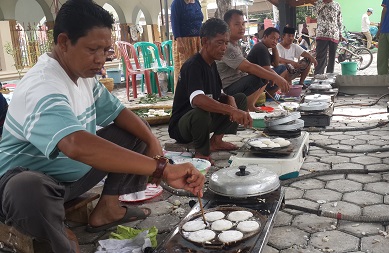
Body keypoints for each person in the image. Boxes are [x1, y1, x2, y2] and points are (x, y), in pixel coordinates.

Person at [0, 1, 205, 252]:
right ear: (63, 43)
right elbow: (75, 144)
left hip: (71, 181)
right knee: (27, 187)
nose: (100, 59)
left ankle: (107, 209)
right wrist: (162, 169)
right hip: (27, 192)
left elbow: (120, 113)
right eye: (93, 49)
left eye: (106, 50)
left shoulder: (83, 76)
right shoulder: (42, 85)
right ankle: (52, 235)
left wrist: (153, 144)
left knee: (136, 132)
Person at [169, 18, 252, 164]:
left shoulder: (212, 64)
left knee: (239, 99)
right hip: (184, 126)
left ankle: (216, 141)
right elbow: (197, 99)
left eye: (226, 43)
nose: (224, 48)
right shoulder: (193, 65)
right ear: (205, 42)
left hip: (204, 121)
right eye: (220, 42)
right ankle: (201, 152)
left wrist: (229, 98)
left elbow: (217, 93)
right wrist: (231, 111)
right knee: (201, 112)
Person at [216, 9, 289, 112]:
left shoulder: (236, 44)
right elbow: (249, 67)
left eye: (243, 24)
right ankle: (247, 107)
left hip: (239, 82)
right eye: (237, 24)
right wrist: (276, 77)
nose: (241, 27)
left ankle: (250, 105)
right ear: (227, 27)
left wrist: (272, 75)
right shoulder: (227, 46)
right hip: (229, 89)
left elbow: (275, 63)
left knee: (265, 75)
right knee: (261, 75)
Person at [246, 27, 290, 97]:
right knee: (283, 69)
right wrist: (278, 78)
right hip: (254, 81)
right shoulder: (261, 48)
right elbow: (266, 69)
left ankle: (269, 92)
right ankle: (269, 94)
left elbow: (275, 64)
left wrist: (274, 47)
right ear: (265, 36)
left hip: (258, 78)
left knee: (282, 68)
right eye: (273, 38)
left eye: (277, 39)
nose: (275, 41)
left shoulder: (264, 47)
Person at [170, 0, 203, 91]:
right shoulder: (177, 3)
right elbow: (174, 22)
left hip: (198, 41)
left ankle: (199, 92)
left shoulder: (196, 2)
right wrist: (179, 41)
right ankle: (184, 95)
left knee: (199, 67)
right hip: (184, 41)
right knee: (186, 68)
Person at [313, 0, 343, 75]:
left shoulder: (337, 5)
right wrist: (324, 3)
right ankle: (318, 75)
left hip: (334, 34)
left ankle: (329, 76)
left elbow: (339, 20)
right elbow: (314, 13)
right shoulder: (318, 3)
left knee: (332, 58)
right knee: (320, 57)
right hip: (322, 34)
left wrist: (340, 33)